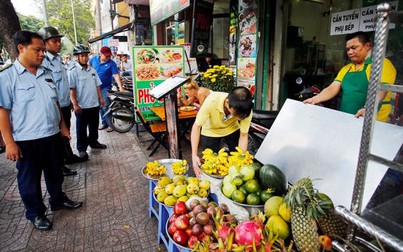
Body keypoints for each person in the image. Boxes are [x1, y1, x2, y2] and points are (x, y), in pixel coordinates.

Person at [0, 30, 83, 231]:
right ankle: (36, 213)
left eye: (43, 51)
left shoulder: (46, 73)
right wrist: (9, 142)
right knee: (30, 180)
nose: (42, 54)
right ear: (21, 48)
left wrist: (63, 128)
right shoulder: (8, 77)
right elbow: (3, 112)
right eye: (37, 50)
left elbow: (54, 104)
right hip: (27, 140)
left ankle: (57, 199)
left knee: (55, 172)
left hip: (52, 134)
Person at [304, 31, 396, 122]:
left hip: (373, 123)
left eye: (354, 47)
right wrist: (314, 99)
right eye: (348, 49)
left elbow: (381, 91)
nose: (350, 52)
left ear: (367, 46)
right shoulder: (347, 68)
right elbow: (332, 88)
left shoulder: (381, 64)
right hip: (347, 120)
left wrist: (367, 109)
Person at [38, 26, 88, 176]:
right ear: (44, 43)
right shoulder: (44, 62)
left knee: (64, 135)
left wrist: (71, 102)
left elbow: (63, 84)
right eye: (55, 41)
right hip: (55, 107)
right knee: (58, 137)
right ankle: (61, 166)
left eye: (59, 41)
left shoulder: (58, 60)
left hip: (65, 105)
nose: (59, 44)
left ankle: (68, 156)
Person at [191, 86, 254, 177]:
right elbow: (197, 126)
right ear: (227, 102)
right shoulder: (212, 101)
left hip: (232, 128)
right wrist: (194, 155)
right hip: (211, 130)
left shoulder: (245, 111)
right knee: (209, 163)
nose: (239, 117)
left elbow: (243, 135)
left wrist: (241, 159)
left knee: (235, 158)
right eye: (236, 115)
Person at [68, 44, 107, 158]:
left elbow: (98, 86)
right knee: (81, 129)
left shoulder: (92, 70)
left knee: (94, 126)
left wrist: (101, 99)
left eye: (86, 55)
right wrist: (75, 105)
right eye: (82, 56)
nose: (85, 58)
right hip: (82, 106)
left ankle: (94, 142)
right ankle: (82, 149)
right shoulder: (73, 71)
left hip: (94, 104)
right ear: (77, 57)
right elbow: (72, 90)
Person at [89, 46, 125, 132]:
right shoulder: (93, 59)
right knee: (100, 107)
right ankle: (104, 123)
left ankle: (110, 124)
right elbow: (87, 68)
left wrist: (120, 87)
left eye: (109, 56)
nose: (108, 57)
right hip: (94, 88)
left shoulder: (111, 63)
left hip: (105, 88)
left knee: (106, 106)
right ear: (101, 54)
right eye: (106, 56)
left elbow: (116, 75)